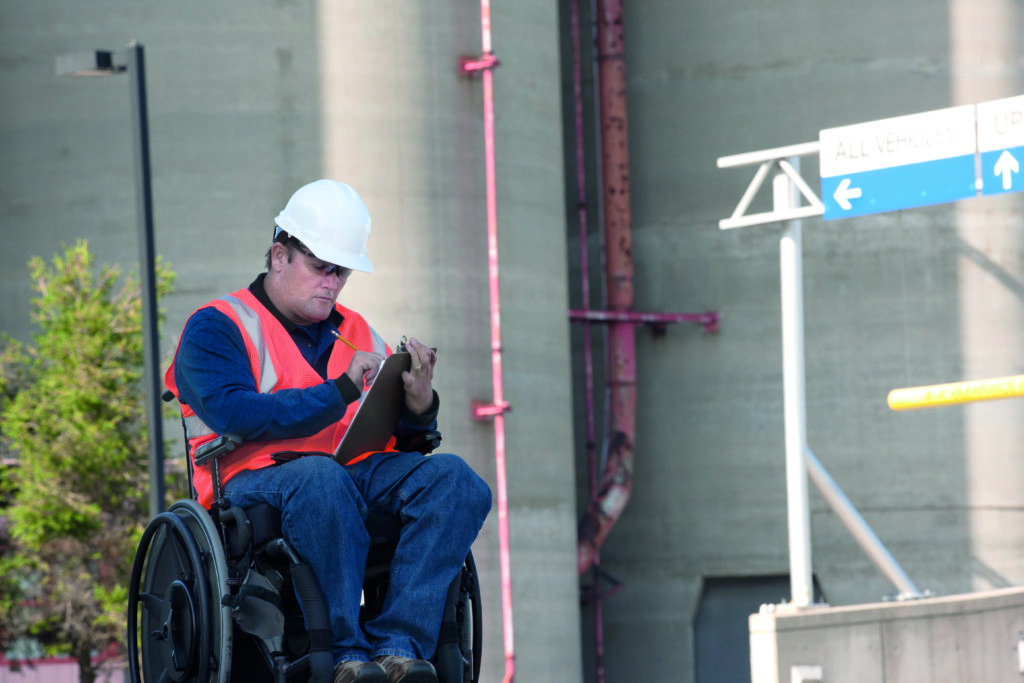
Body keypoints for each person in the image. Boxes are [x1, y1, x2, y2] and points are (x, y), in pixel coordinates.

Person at [165, 179, 492, 683]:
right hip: (253, 480)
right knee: (320, 478)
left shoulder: (358, 330)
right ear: (280, 255)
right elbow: (238, 415)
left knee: (456, 482)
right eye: (321, 268)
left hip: (351, 471)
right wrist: (340, 389)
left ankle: (399, 648)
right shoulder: (217, 327)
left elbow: (405, 441)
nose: (333, 283)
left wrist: (420, 404)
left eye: (341, 272)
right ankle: (344, 655)